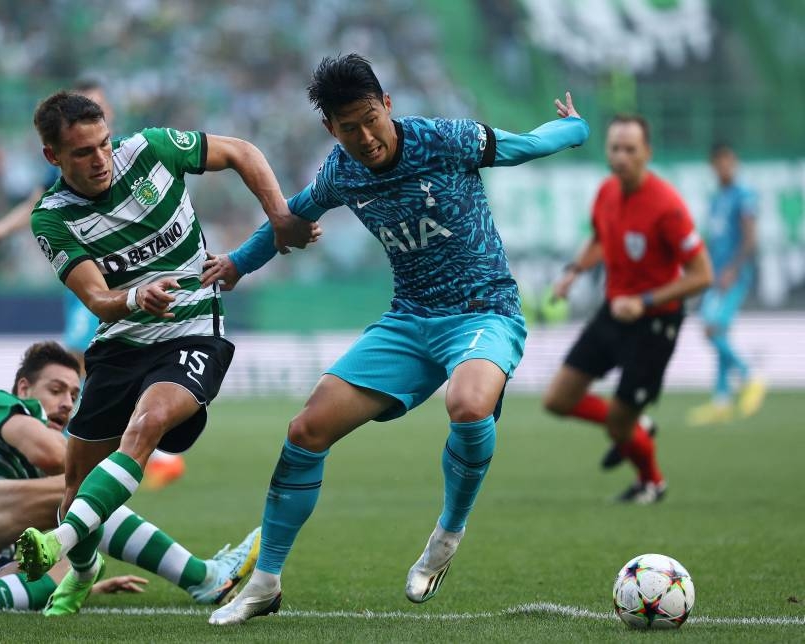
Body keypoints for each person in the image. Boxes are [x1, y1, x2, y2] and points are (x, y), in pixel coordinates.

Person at [199, 53, 591, 626]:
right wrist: (236, 265)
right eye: (348, 127)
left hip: (483, 311)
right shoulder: (341, 170)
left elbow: (529, 145)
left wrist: (575, 127)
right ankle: (263, 583)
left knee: (467, 403)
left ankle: (446, 537)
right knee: (306, 429)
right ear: (330, 128)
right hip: (409, 321)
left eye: (370, 119)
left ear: (387, 105)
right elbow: (288, 218)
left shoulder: (446, 140)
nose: (365, 137)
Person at [14, 90, 316, 617]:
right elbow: (97, 300)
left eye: (104, 144)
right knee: (74, 486)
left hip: (196, 329)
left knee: (147, 422)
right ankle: (84, 570)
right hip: (122, 342)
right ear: (53, 157)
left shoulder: (152, 150)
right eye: (83, 152)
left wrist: (280, 216)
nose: (101, 159)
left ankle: (57, 548)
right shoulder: (52, 218)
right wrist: (133, 296)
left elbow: (242, 152)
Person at [0, 341, 260, 612]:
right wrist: (136, 454)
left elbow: (25, 555)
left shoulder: (23, 484)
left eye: (74, 395)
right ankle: (205, 577)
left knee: (56, 566)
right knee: (76, 493)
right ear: (24, 387)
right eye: (56, 390)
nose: (66, 404)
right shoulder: (2, 404)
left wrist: (80, 577)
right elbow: (55, 456)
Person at [0, 79, 185, 489]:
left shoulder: (125, 155)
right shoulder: (70, 170)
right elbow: (37, 202)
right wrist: (0, 230)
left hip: (132, 288)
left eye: (101, 108)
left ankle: (115, 445)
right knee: (82, 360)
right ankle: (98, 443)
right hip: (99, 290)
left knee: (91, 361)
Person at [542, 114, 713, 504]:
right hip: (614, 310)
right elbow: (600, 239)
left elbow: (702, 275)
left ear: (647, 153)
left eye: (630, 149)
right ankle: (638, 426)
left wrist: (646, 301)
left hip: (655, 322)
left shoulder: (667, 206)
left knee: (619, 426)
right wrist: (573, 271)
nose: (621, 156)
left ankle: (652, 482)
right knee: (557, 400)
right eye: (615, 148)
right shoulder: (606, 192)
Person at [686, 143, 766, 426]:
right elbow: (712, 238)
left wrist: (733, 268)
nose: (724, 167)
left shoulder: (744, 195)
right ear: (713, 166)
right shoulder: (717, 198)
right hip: (715, 274)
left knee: (710, 328)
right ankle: (721, 400)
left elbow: (750, 236)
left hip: (733, 275)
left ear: (734, 162)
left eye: (728, 162)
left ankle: (749, 376)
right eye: (718, 163)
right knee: (718, 330)